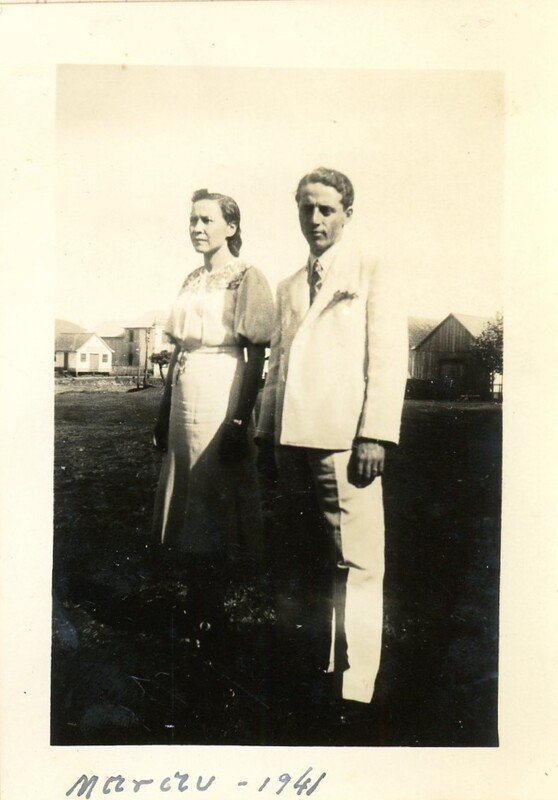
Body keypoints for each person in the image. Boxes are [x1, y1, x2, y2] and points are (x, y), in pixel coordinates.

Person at [256, 168, 408, 718]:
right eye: (306, 208)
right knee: (302, 557)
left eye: (326, 209)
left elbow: (388, 356)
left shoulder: (371, 269)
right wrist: (264, 433)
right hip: (291, 440)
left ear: (347, 213)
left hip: (346, 441)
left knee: (357, 561)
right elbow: (278, 367)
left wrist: (375, 434)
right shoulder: (289, 285)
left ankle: (357, 683)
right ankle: (310, 667)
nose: (315, 219)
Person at [152, 189, 274, 633]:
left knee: (214, 490)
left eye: (206, 220)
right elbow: (179, 348)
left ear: (231, 227)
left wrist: (240, 419)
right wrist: (163, 408)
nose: (197, 228)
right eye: (193, 220)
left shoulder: (246, 277)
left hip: (223, 386)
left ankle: (212, 607)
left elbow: (256, 353)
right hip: (185, 390)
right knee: (188, 490)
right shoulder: (190, 280)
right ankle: (196, 598)